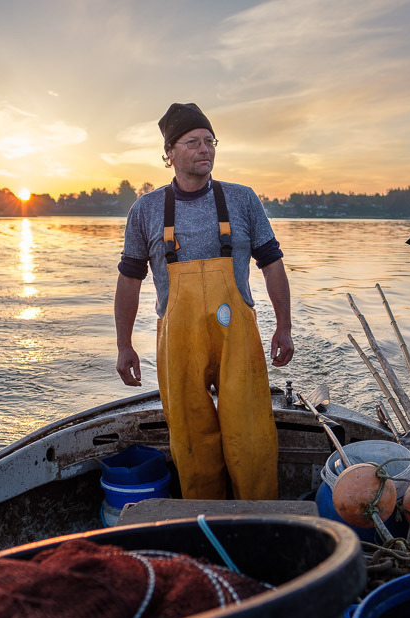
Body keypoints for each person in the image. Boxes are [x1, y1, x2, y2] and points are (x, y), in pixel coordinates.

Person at [114, 102, 293, 501]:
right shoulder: (145, 210)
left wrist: (284, 326)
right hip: (179, 341)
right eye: (192, 142)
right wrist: (124, 345)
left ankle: (259, 515)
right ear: (169, 154)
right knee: (191, 437)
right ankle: (205, 518)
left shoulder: (243, 200)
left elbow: (272, 265)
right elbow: (129, 279)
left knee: (250, 435)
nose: (204, 149)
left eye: (209, 141)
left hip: (237, 337)